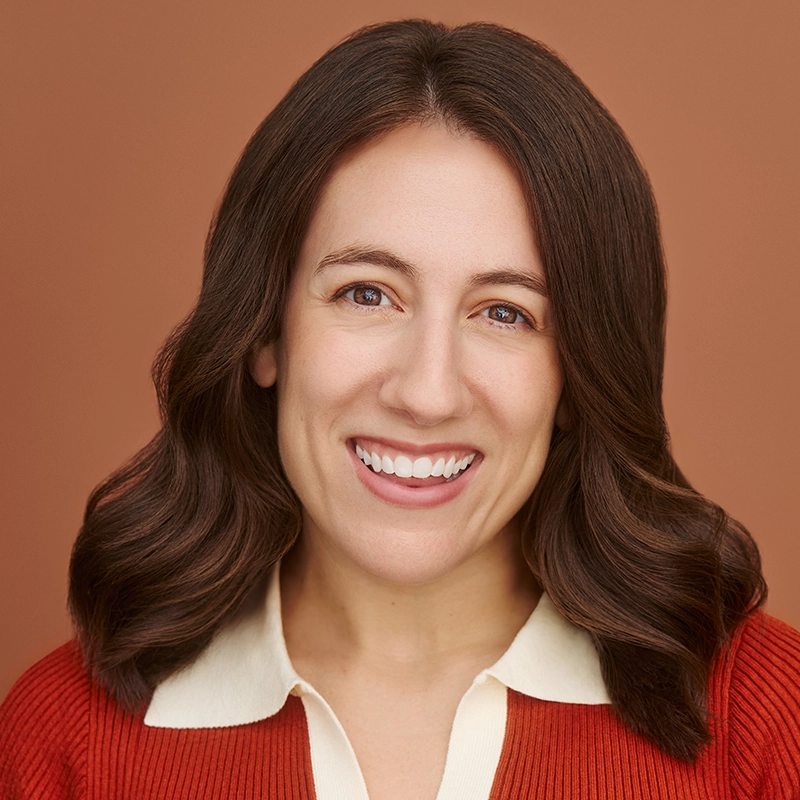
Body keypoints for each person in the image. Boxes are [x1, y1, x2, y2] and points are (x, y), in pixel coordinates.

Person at [1, 18, 798, 800]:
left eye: (505, 312)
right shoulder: (62, 739)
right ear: (264, 333)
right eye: (367, 294)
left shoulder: (766, 722)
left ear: (576, 378)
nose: (426, 393)